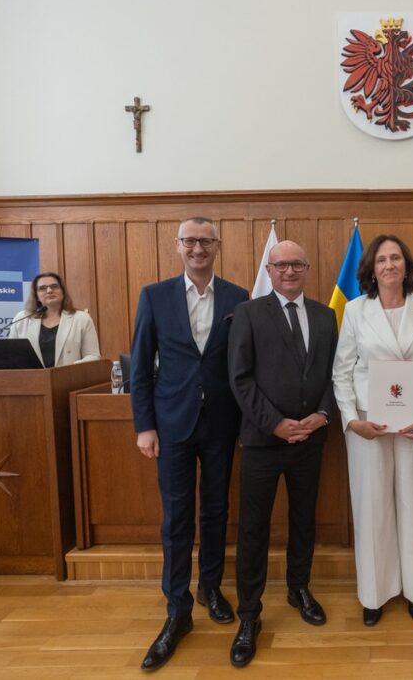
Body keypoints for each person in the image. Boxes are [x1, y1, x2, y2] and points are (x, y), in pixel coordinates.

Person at [130, 217, 249, 671]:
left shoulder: (238, 297)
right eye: (190, 241)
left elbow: (243, 363)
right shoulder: (155, 296)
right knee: (177, 517)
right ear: (178, 246)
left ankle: (211, 588)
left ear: (217, 246)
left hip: (221, 423)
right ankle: (177, 610)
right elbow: (140, 365)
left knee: (216, 511)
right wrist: (145, 425)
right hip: (171, 424)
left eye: (205, 241)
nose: (198, 248)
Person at [226, 241, 338, 668]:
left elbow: (335, 373)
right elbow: (239, 378)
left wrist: (322, 415)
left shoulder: (327, 316)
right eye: (281, 265)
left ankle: (299, 588)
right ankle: (249, 615)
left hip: (311, 440)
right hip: (262, 442)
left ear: (307, 269)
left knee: (303, 521)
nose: (289, 271)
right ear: (269, 270)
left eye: (296, 264)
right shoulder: (249, 312)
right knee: (254, 530)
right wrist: (275, 423)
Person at [332, 234, 413, 627]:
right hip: (369, 424)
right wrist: (351, 420)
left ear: (407, 266)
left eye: (396, 257)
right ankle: (375, 594)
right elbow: (341, 372)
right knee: (372, 507)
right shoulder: (354, 311)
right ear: (371, 269)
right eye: (381, 259)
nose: (389, 265)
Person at [9, 271, 100, 366]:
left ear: (63, 292)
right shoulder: (22, 319)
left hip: (69, 378)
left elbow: (93, 355)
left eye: (54, 286)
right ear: (37, 296)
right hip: (33, 379)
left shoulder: (81, 318)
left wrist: (72, 369)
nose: (49, 291)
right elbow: (11, 356)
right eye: (42, 288)